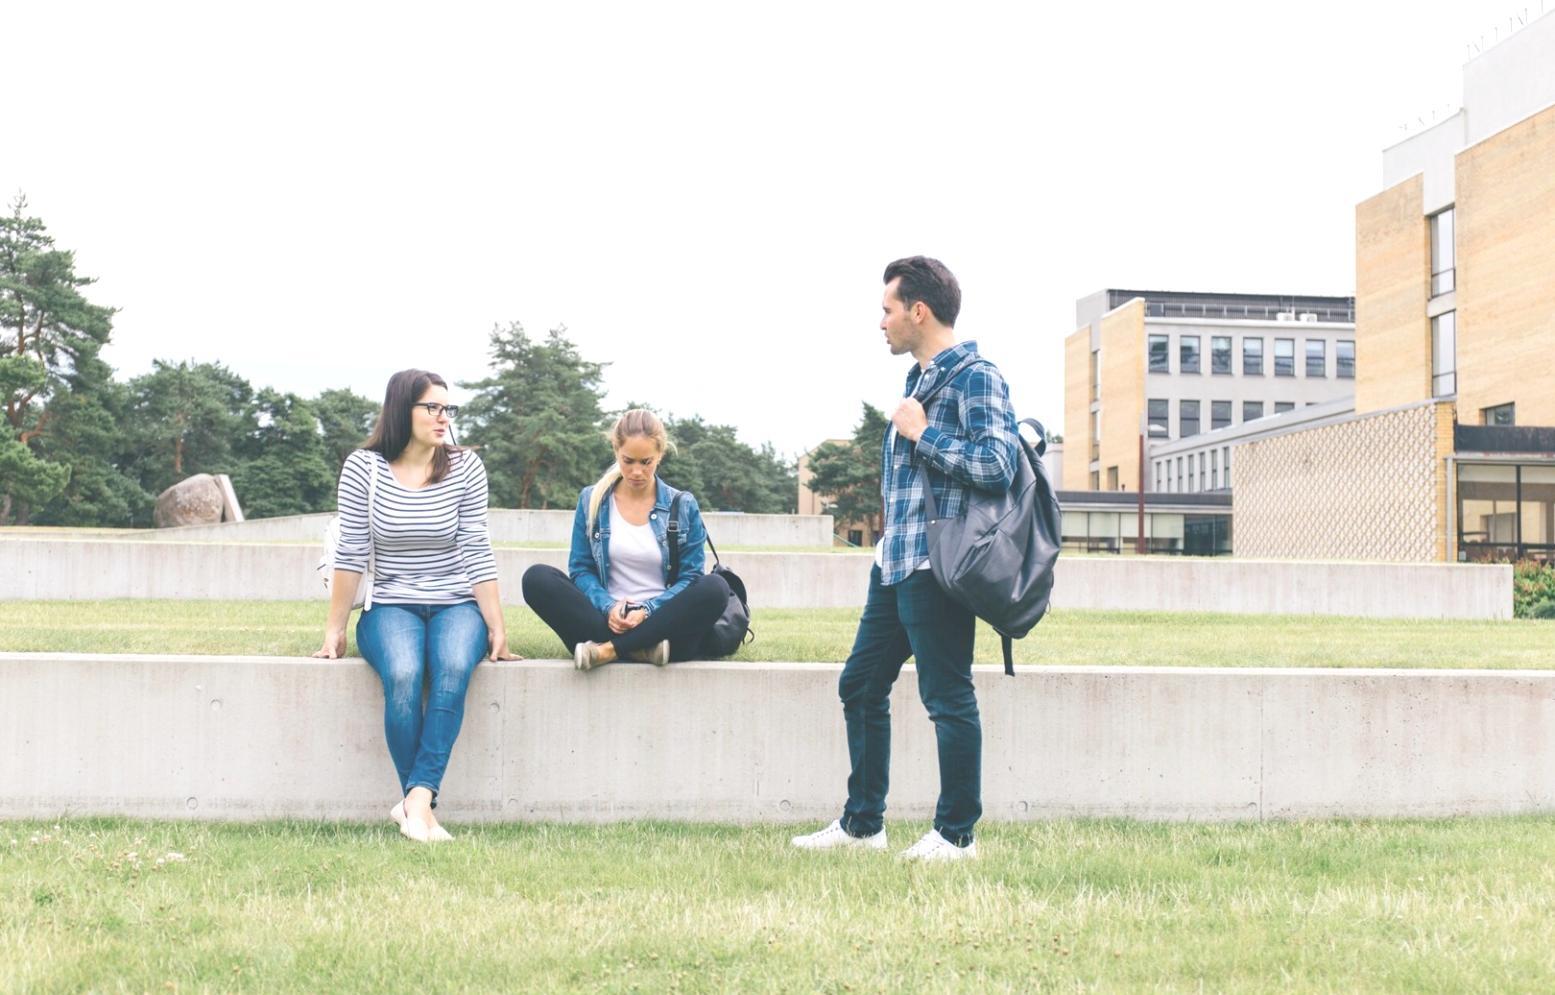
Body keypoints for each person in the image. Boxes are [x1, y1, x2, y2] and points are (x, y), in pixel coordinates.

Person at [792, 256, 1018, 861]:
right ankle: (863, 826)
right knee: (861, 684)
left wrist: (924, 435)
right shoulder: (919, 382)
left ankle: (957, 836)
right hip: (895, 563)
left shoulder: (976, 377)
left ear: (918, 311)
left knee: (947, 696)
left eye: (887, 309)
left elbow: (998, 466)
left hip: (939, 565)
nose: (881, 322)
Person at [314, 368, 518, 844]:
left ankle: (418, 799)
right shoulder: (363, 468)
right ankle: (418, 807)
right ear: (401, 410)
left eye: (448, 408)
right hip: (390, 605)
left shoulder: (466, 467)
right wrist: (334, 628)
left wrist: (497, 626)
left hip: (456, 603)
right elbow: (350, 552)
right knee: (404, 673)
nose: (444, 417)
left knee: (452, 668)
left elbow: (477, 547)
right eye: (432, 407)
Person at [522, 408, 733, 670]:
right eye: (628, 461)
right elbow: (581, 569)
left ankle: (607, 650)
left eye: (646, 462)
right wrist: (609, 607)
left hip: (663, 622)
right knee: (537, 578)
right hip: (606, 620)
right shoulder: (591, 500)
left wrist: (647, 610)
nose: (636, 471)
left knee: (715, 587)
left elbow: (690, 577)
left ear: (660, 455)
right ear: (616, 451)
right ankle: (641, 650)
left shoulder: (683, 504)